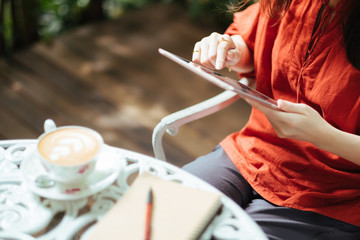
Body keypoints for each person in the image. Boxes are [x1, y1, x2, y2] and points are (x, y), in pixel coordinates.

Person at [183, 0, 360, 239]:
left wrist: (324, 136)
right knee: (162, 210)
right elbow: (253, 42)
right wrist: (229, 50)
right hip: (255, 152)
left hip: (334, 197)